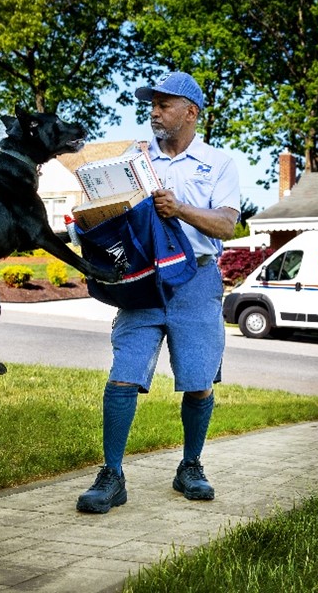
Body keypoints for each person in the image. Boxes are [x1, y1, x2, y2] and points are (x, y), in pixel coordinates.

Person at [76, 71, 240, 513]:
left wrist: (180, 208)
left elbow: (227, 224)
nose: (153, 112)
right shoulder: (134, 157)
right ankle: (112, 475)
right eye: (152, 104)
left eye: (164, 105)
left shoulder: (218, 163)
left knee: (199, 380)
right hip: (144, 282)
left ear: (191, 113)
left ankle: (190, 466)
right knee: (123, 373)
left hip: (197, 280)